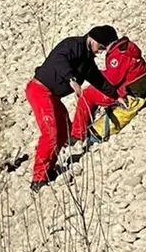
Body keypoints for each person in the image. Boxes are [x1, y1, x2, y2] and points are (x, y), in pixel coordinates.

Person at [24, 25, 128, 192]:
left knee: (64, 131)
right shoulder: (71, 45)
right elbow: (59, 60)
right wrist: (71, 78)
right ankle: (38, 179)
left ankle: (49, 169)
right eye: (101, 47)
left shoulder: (87, 61)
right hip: (39, 90)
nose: (101, 52)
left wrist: (117, 96)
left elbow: (98, 80)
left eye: (104, 49)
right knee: (51, 133)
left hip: (53, 96)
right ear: (92, 39)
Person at [70, 36, 146, 142]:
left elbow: (111, 80)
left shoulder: (117, 54)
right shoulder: (127, 48)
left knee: (87, 95)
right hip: (133, 86)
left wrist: (93, 75)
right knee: (91, 91)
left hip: (124, 92)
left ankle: (78, 134)